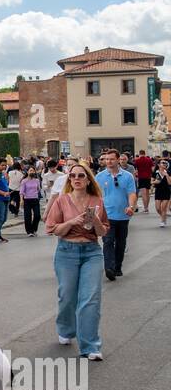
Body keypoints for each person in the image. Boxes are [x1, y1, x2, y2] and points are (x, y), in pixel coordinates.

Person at [45, 162, 109, 360]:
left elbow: (102, 231)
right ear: (69, 180)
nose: (77, 179)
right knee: (67, 297)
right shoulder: (62, 201)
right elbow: (52, 228)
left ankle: (90, 346)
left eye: (81, 175)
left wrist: (96, 220)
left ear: (88, 179)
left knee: (90, 299)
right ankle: (66, 329)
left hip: (91, 252)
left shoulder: (97, 200)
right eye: (73, 176)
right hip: (66, 251)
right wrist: (72, 222)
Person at [95, 149, 137, 281]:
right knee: (107, 241)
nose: (108, 161)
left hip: (123, 215)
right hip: (106, 215)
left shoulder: (127, 176)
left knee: (120, 242)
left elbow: (132, 193)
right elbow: (95, 196)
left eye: (111, 159)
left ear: (118, 160)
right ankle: (109, 268)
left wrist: (131, 207)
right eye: (106, 159)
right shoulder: (99, 177)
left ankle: (117, 266)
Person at [21, 165, 42, 236]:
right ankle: (29, 231)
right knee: (27, 216)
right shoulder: (24, 181)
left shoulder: (37, 180)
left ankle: (34, 229)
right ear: (27, 172)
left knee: (37, 216)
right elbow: (21, 191)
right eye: (30, 170)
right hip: (27, 200)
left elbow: (38, 189)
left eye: (33, 170)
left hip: (35, 199)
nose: (32, 172)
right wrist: (21, 200)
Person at [153, 156, 171, 227]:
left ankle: (162, 221)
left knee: (163, 208)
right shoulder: (155, 172)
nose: (164, 164)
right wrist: (155, 182)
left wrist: (166, 175)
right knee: (158, 208)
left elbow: (170, 183)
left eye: (165, 163)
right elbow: (151, 181)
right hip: (158, 191)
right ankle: (163, 217)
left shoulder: (168, 172)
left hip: (166, 191)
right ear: (158, 164)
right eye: (162, 163)